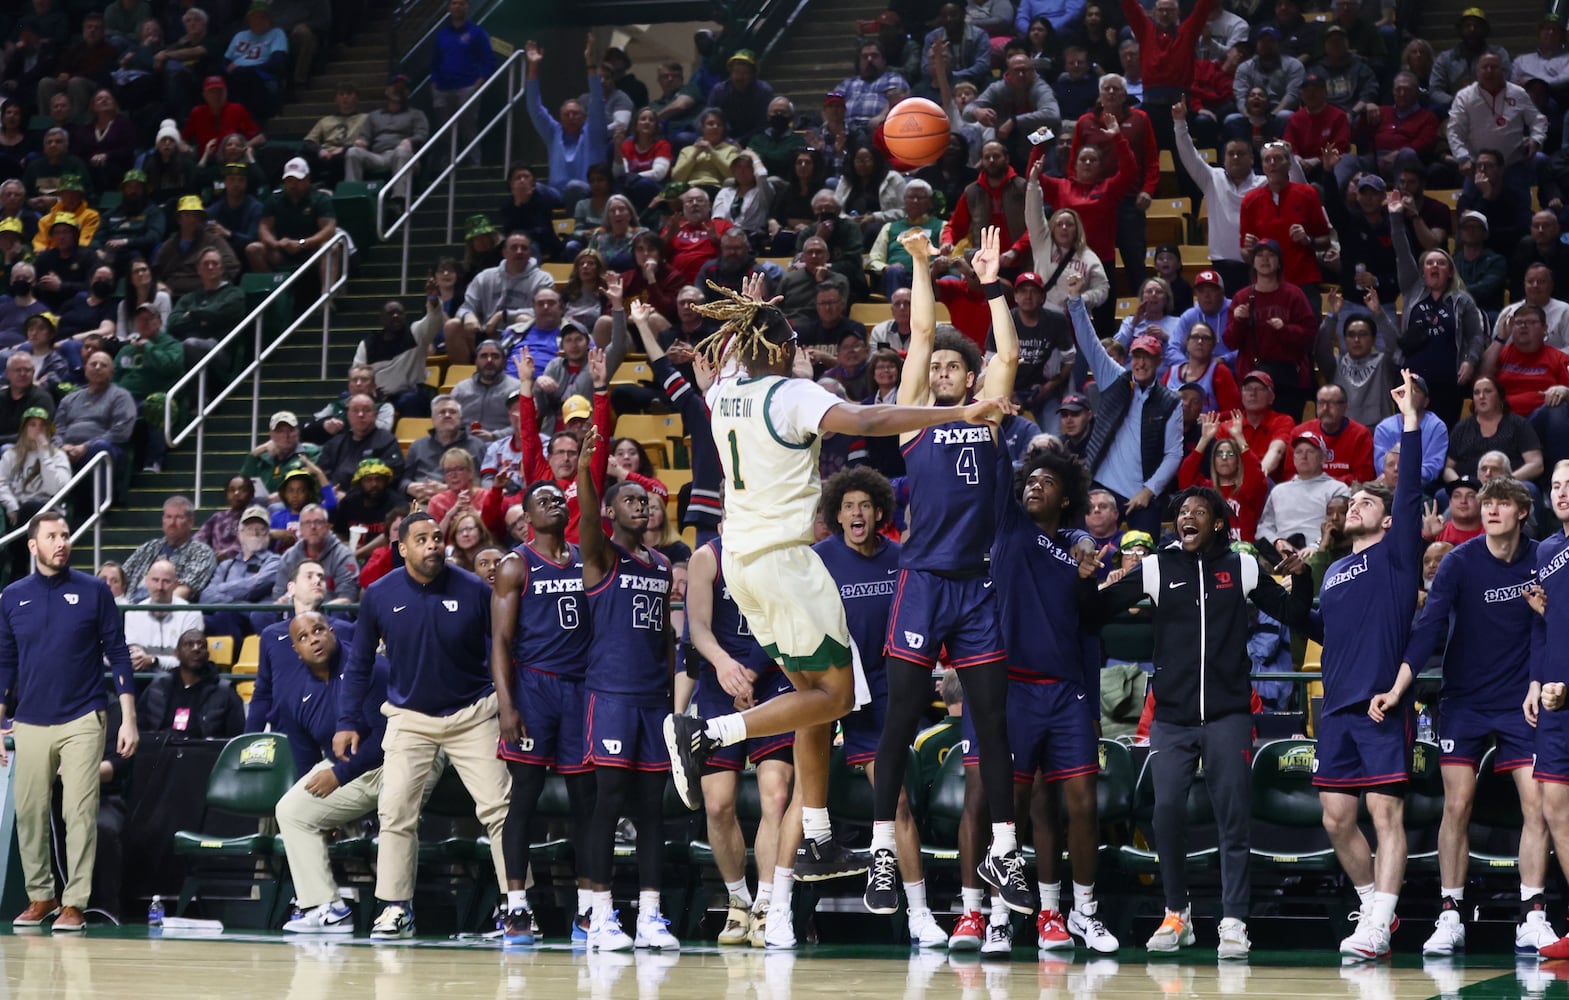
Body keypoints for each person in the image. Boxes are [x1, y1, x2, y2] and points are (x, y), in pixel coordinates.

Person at [660, 263, 1008, 947]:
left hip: (741, 561)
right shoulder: (791, 395)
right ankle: (707, 734)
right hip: (790, 568)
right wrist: (956, 411)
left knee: (806, 694)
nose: (801, 352)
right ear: (777, 350)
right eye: (792, 343)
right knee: (837, 697)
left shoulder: (728, 387)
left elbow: (734, 355)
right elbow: (872, 416)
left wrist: (754, 311)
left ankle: (815, 832)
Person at [1090, 486, 1313, 959]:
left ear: (1216, 523)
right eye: (1181, 513)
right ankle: (1177, 914)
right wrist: (1084, 578)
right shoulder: (1155, 567)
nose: (1186, 517)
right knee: (1165, 812)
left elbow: (1296, 615)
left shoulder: (1243, 566)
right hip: (1171, 718)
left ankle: (1234, 920)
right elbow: (1094, 612)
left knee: (1233, 819)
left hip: (1229, 715)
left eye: (1198, 511)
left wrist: (1305, 577)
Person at [1288, 370, 1423, 960]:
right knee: (1337, 817)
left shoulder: (1396, 556)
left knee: (1383, 811)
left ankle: (1378, 920)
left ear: (1388, 521)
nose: (1355, 506)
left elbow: (1411, 488)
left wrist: (1411, 420)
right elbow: (1320, 630)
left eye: (1367, 501)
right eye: (1353, 502)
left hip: (1379, 702)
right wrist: (1290, 590)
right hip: (1336, 704)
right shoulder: (1336, 569)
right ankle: (1374, 908)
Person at [335, 512, 509, 940]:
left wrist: (509, 707)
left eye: (437, 538)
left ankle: (515, 906)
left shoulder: (472, 589)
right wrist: (347, 719)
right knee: (394, 811)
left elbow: (505, 653)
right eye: (423, 539)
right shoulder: (378, 594)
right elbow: (358, 663)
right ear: (403, 548)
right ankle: (396, 908)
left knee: (500, 809)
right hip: (410, 719)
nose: (434, 545)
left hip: (473, 713)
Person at [986, 441, 1119, 954]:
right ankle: (1001, 915)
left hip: (1067, 691)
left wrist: (1090, 574)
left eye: (1048, 481)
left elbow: (1087, 618)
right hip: (1014, 686)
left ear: (1067, 499)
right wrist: (993, 419)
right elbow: (1000, 470)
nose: (1035, 485)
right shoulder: (1009, 526)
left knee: (1082, 804)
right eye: (1030, 480)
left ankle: (1083, 911)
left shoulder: (1074, 550)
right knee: (1010, 808)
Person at [0, 509, 136, 932]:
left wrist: (128, 719)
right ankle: (41, 896)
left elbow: (118, 654)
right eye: (52, 535)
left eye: (65, 534)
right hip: (30, 720)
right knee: (30, 811)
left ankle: (75, 903)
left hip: (84, 715)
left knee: (78, 812)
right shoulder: (11, 595)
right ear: (32, 544)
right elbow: (4, 664)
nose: (62, 542)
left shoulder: (95, 590)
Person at [488, 482, 596, 944]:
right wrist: (507, 706)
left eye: (559, 499)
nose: (554, 503)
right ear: (528, 517)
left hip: (581, 689)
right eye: (543, 501)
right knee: (524, 798)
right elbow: (500, 642)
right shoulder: (516, 565)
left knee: (587, 803)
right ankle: (516, 908)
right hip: (533, 688)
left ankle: (590, 908)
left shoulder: (587, 559)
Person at [270, 610, 388, 933]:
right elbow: (306, 761)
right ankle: (326, 907)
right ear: (295, 649)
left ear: (333, 632)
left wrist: (339, 777)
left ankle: (396, 907)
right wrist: (324, 812)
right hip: (347, 770)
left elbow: (387, 736)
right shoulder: (292, 691)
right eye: (303, 637)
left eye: (319, 630)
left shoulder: (369, 667)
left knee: (395, 800)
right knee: (292, 810)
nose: (314, 640)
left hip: (394, 760)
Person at [1065, 272, 1183, 533]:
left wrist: (1149, 491)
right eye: (1136, 356)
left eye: (1148, 358)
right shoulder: (1114, 378)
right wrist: (1075, 300)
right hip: (1101, 485)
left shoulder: (1170, 401)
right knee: (1084, 550)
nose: (1140, 363)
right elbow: (1090, 343)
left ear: (1158, 362)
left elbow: (1174, 453)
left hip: (1141, 493)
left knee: (1145, 558)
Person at [1388, 204, 1485, 428]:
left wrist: (1470, 361)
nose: (1435, 266)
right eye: (1429, 263)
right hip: (1410, 381)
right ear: (1423, 271)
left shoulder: (1463, 300)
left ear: (1450, 271)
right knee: (1409, 433)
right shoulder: (1413, 290)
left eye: (1441, 263)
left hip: (1448, 382)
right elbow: (1402, 252)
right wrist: (1395, 218)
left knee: (1443, 434)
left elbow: (1477, 337)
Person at [523, 38, 605, 215]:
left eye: (576, 114)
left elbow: (598, 101)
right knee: (528, 186)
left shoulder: (594, 132)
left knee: (574, 187)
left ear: (584, 117)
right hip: (556, 194)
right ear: (560, 118)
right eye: (566, 114)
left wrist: (590, 64)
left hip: (588, 193)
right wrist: (533, 67)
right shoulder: (554, 133)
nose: (571, 117)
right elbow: (534, 107)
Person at [134, 627, 244, 737]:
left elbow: (235, 738)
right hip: (160, 751)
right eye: (189, 644)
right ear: (177, 653)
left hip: (204, 752)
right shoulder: (158, 687)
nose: (196, 649)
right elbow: (140, 728)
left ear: (207, 654)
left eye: (201, 645)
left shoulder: (224, 692)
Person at [0, 407, 69, 579]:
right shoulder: (11, 455)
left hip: (49, 508)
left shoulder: (58, 456)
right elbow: (1, 483)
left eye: (42, 426)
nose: (38, 429)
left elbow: (56, 489)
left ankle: (18, 569)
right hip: (17, 511)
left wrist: (44, 453)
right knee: (23, 510)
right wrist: (12, 506)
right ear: (24, 429)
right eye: (33, 425)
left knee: (31, 508)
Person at [1255, 430, 1351, 552]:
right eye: (1299, 452)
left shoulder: (1337, 489)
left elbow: (1339, 526)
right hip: (1281, 553)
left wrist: (1316, 547)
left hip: (1320, 551)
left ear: (1323, 458)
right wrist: (1277, 542)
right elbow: (1264, 528)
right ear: (1293, 458)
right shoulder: (1278, 491)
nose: (1304, 456)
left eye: (1310, 451)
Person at [345, 74, 429, 204]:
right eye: (395, 87)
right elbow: (365, 136)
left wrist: (411, 141)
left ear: (407, 92)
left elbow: (422, 135)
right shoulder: (374, 115)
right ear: (387, 90)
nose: (398, 90)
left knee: (401, 152)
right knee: (353, 152)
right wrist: (361, 142)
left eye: (402, 88)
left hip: (404, 156)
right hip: (377, 156)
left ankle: (399, 200)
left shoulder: (416, 114)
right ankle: (352, 197)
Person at [429, 0, 492, 166]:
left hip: (467, 87)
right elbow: (435, 62)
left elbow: (489, 60)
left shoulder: (477, 32)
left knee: (468, 126)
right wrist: (434, 83)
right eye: (454, 3)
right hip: (442, 88)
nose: (458, 6)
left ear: (467, 6)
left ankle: (474, 162)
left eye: (461, 3)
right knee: (445, 129)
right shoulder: (441, 35)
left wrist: (479, 83)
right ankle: (446, 163)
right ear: (449, 7)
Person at [120, 495, 216, 599]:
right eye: (168, 517)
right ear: (163, 520)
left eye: (179, 517)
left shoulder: (202, 552)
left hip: (167, 609)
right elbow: (121, 576)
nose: (172, 523)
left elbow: (184, 591)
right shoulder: (148, 548)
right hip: (128, 605)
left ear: (191, 522)